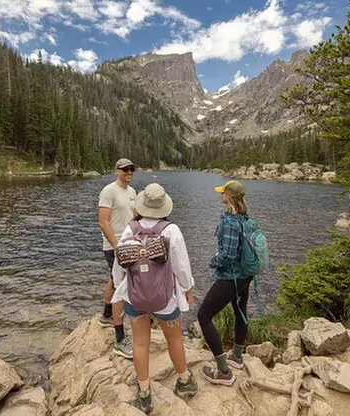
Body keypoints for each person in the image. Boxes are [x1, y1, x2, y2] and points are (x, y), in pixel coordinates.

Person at [112, 183, 198, 414]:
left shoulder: (130, 230)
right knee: (174, 339)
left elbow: (118, 267)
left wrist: (121, 287)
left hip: (135, 297)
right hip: (165, 298)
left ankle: (144, 393)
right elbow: (181, 267)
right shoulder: (171, 231)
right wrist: (188, 288)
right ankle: (184, 380)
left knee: (140, 343)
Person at [198, 180, 253, 386]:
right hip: (246, 275)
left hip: (231, 277)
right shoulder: (244, 217)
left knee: (203, 315)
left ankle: (223, 372)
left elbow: (228, 254)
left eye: (222, 192)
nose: (219, 194)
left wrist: (214, 261)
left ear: (228, 197)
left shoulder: (230, 221)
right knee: (240, 310)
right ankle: (237, 356)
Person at [98, 158, 137, 359]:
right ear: (116, 171)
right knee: (122, 286)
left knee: (114, 280)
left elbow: (135, 218)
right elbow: (103, 222)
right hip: (115, 246)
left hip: (130, 244)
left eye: (131, 169)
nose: (129, 172)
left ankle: (106, 315)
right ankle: (119, 338)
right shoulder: (109, 191)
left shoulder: (132, 192)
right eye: (125, 169)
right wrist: (117, 246)